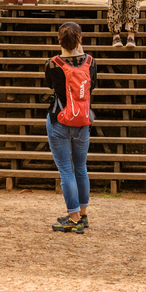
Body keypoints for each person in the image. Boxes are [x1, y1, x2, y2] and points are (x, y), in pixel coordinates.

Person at [43, 22, 96, 233]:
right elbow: (92, 85)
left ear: (59, 41)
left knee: (66, 169)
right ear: (80, 39)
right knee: (81, 168)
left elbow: (51, 86)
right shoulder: (91, 62)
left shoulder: (52, 64)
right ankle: (82, 215)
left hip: (59, 120)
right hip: (83, 121)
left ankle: (73, 218)